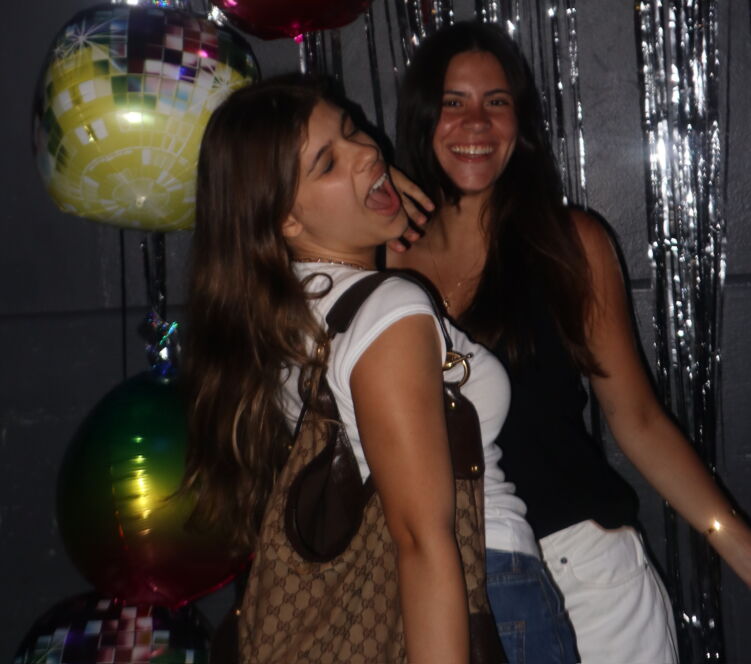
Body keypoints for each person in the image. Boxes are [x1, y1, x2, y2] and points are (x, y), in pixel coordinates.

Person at [181, 73, 576, 664]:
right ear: (286, 220)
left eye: (351, 129)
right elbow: (422, 539)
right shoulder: (386, 310)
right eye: (327, 162)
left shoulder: (287, 317)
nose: (367, 151)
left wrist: (372, 210)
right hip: (482, 595)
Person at [389, 19, 751, 664]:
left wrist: (741, 550)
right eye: (453, 102)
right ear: (421, 118)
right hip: (450, 590)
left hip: (585, 579)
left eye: (496, 102)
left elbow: (638, 421)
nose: (476, 123)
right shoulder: (386, 266)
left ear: (520, 125)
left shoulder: (567, 244)